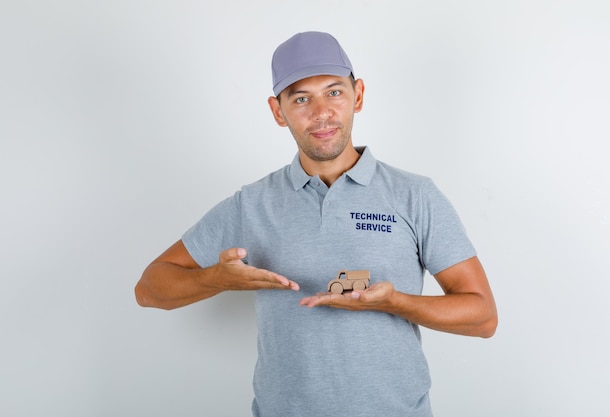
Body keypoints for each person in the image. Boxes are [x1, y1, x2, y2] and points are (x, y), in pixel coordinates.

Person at [135, 31, 497, 417]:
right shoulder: (252, 203)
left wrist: (396, 303)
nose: (321, 112)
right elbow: (149, 288)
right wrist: (217, 280)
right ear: (278, 111)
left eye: (334, 92)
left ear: (358, 95)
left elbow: (483, 316)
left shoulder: (416, 196)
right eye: (301, 98)